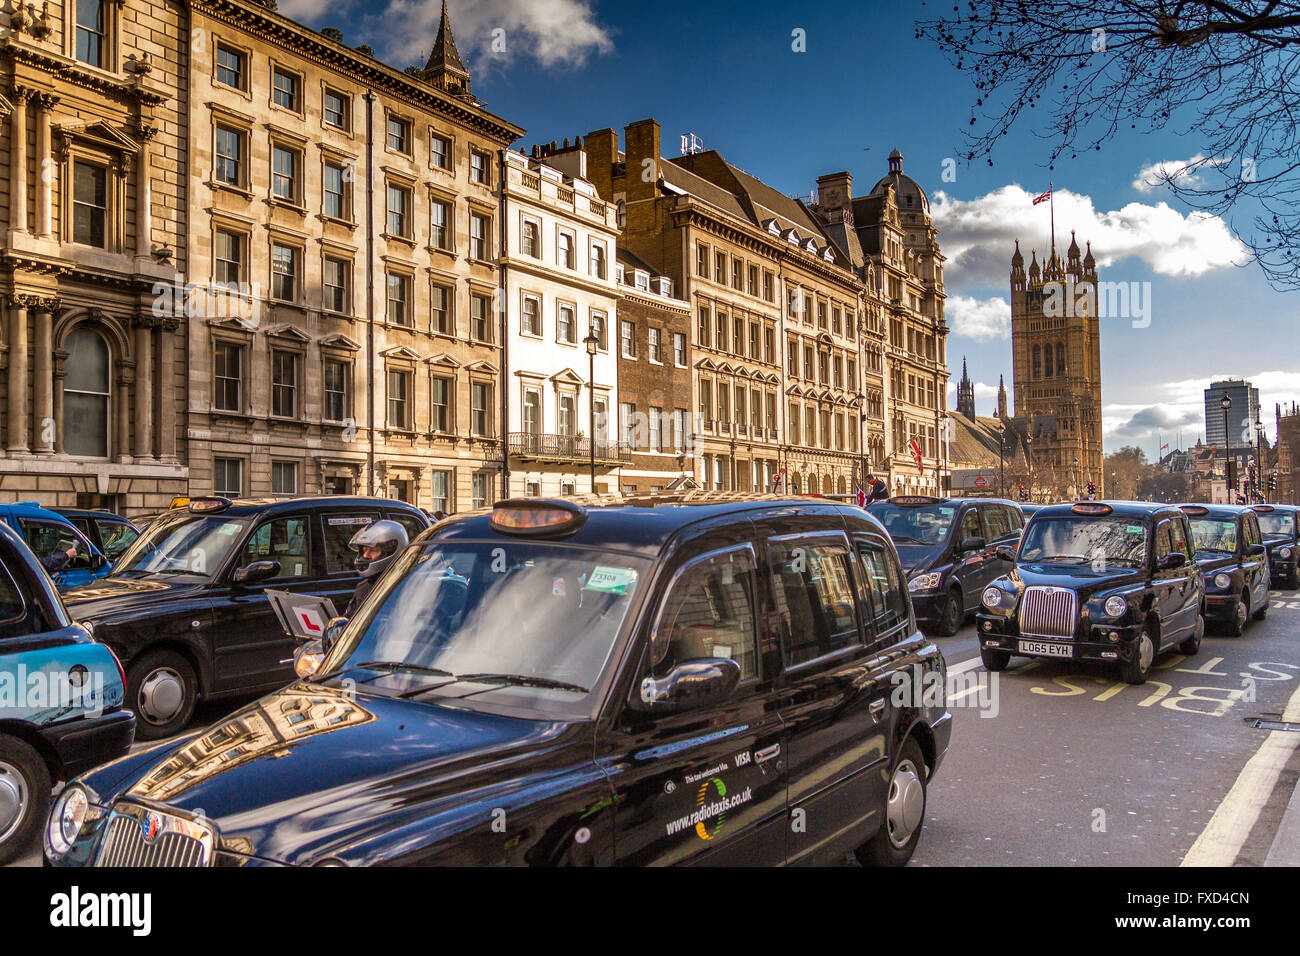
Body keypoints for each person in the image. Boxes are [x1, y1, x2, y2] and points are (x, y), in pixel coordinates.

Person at [344, 520, 409, 617]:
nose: (366, 555)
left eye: (373, 550)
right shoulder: (363, 588)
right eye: (365, 550)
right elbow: (349, 621)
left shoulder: (408, 587)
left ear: (390, 550)